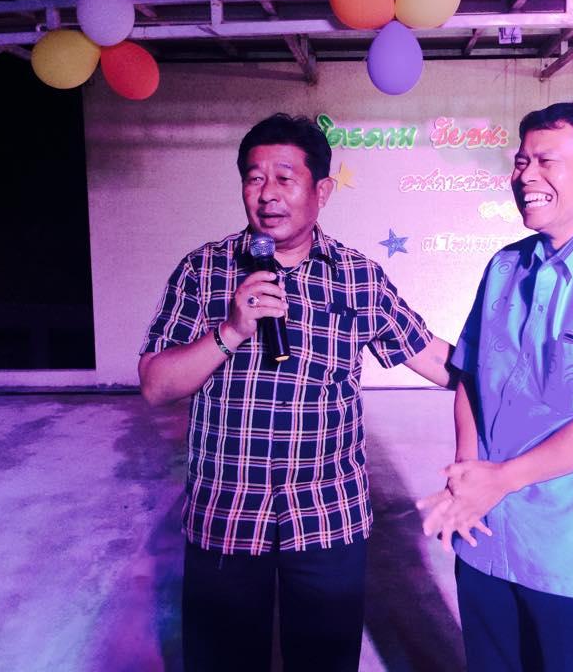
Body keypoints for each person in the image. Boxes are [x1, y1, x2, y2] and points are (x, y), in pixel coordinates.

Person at [138, 113, 454, 672]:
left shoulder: (357, 277)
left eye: (284, 178)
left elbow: (431, 358)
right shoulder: (203, 270)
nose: (267, 194)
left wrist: (519, 378)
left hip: (327, 517)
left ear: (321, 191)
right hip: (227, 515)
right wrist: (231, 330)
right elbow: (156, 386)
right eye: (254, 178)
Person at [417, 102, 573, 671]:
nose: (525, 176)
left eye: (546, 161)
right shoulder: (503, 267)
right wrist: (468, 474)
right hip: (486, 538)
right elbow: (469, 375)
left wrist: (502, 479)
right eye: (521, 161)